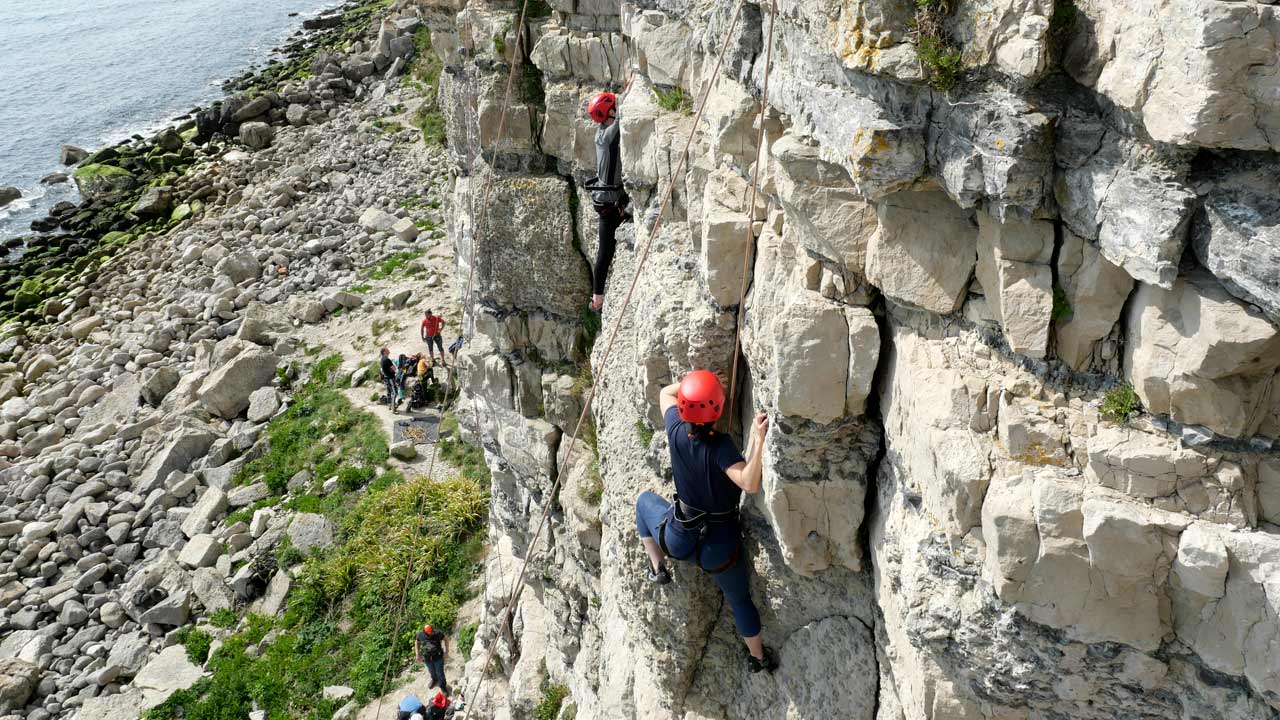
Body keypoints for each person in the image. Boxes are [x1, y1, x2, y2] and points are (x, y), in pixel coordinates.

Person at [633, 370, 778, 673]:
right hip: (718, 551)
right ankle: (758, 658)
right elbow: (749, 483)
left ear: (684, 407)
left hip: (678, 538)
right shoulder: (721, 446)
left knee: (644, 503)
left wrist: (693, 383)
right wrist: (758, 440)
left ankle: (657, 567)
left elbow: (665, 394)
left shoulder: (675, 428)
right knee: (739, 601)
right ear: (718, 409)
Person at [584, 91, 632, 311]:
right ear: (610, 112)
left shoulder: (601, 132)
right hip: (610, 204)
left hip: (609, 200)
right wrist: (625, 92)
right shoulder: (609, 134)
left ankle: (598, 296)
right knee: (605, 251)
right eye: (612, 105)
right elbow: (623, 113)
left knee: (605, 250)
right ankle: (598, 298)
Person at [415, 623, 450, 694]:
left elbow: (446, 639)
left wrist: (447, 651)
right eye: (429, 632)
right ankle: (434, 680)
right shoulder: (421, 635)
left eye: (431, 631)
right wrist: (417, 654)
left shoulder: (437, 633)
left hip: (438, 656)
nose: (430, 633)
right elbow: (417, 642)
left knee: (440, 673)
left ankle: (443, 686)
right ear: (424, 632)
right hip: (427, 658)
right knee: (431, 671)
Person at [380, 348, 398, 412]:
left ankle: (390, 405)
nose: (389, 351)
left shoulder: (382, 359)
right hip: (390, 378)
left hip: (386, 378)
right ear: (384, 352)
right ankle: (393, 408)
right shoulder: (387, 360)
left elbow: (382, 370)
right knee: (395, 392)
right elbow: (394, 368)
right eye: (387, 350)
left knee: (389, 392)